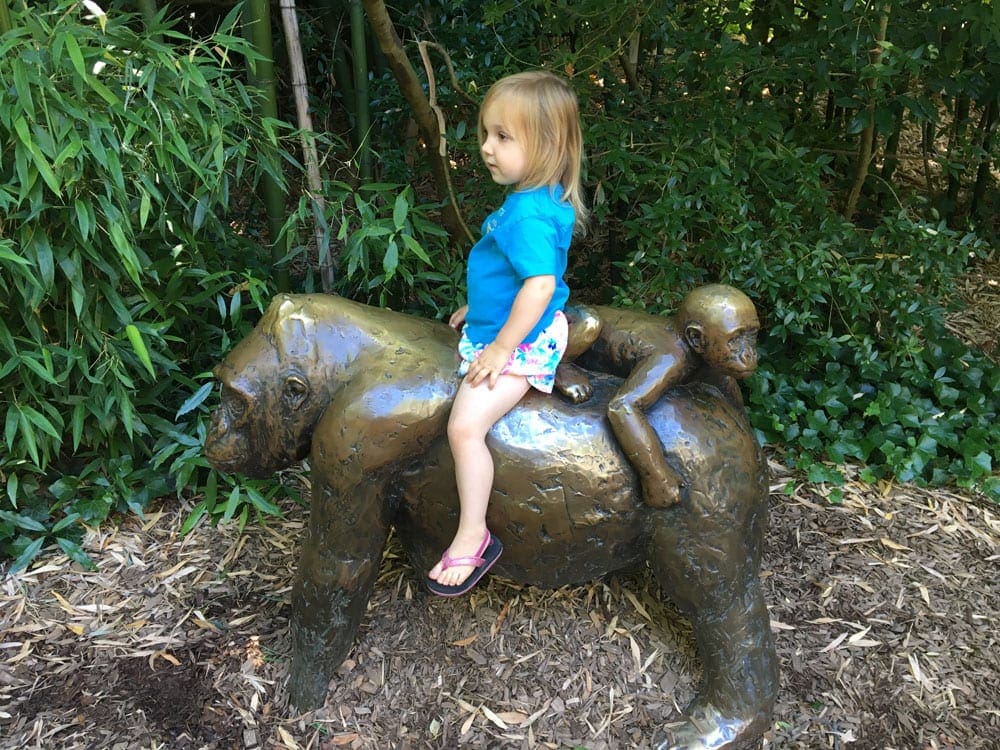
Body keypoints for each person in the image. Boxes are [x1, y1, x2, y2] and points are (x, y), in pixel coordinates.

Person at [427, 70, 587, 597]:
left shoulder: (526, 216)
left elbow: (540, 286)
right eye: (486, 134)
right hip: (510, 322)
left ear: (545, 145)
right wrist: (481, 306)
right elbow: (518, 274)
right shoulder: (533, 199)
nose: (486, 148)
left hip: (522, 338)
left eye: (502, 137)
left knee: (463, 428)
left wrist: (500, 347)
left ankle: (474, 536)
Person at [554, 285, 761, 508]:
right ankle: (559, 365)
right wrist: (656, 475)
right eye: (735, 340)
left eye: (751, 336)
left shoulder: (706, 359)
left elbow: (726, 388)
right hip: (573, 323)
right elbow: (622, 407)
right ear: (696, 339)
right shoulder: (670, 358)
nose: (748, 351)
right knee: (589, 324)